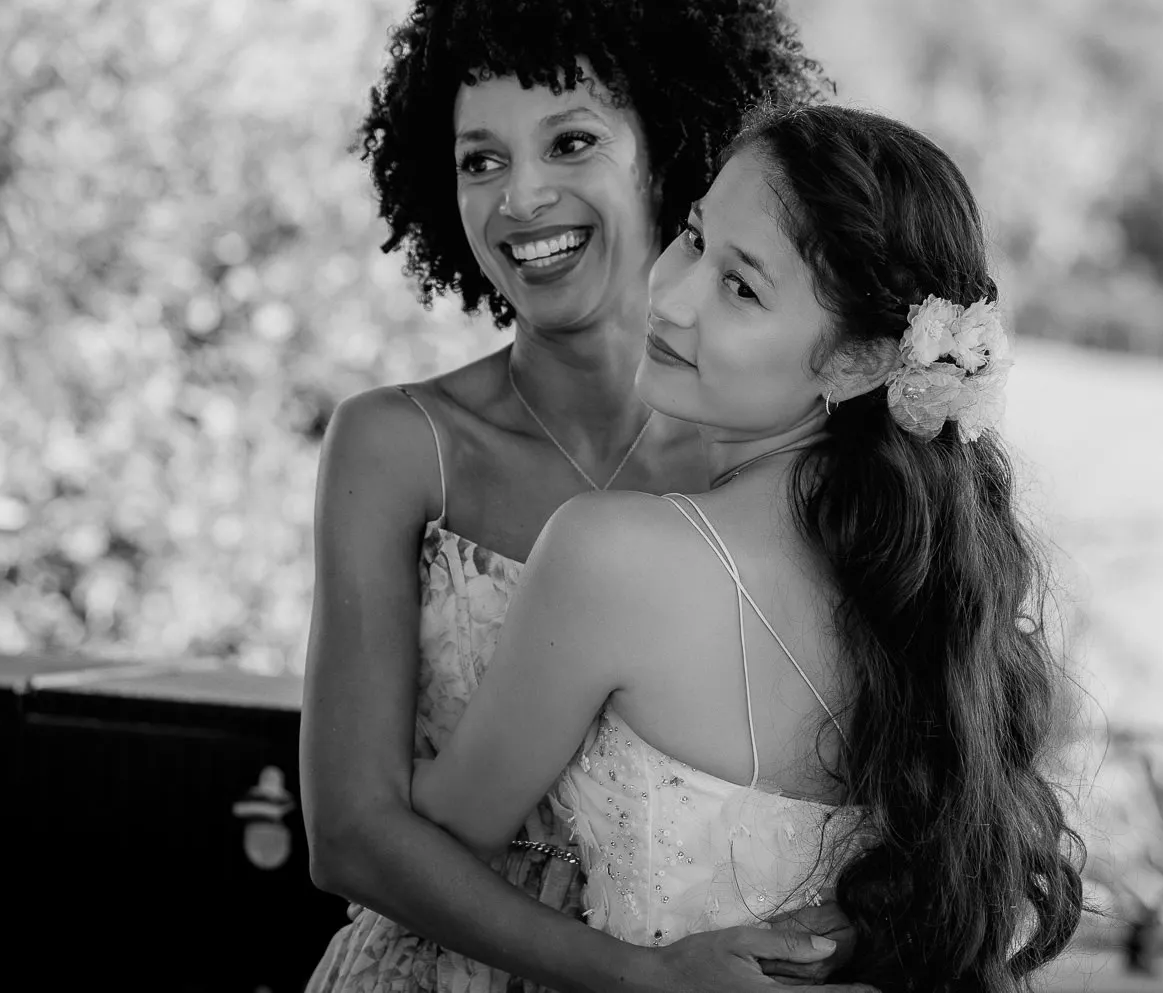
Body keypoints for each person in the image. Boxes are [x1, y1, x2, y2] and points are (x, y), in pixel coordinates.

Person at [301, 0, 862, 993]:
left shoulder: (789, 462)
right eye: (480, 159)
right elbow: (350, 837)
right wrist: (638, 979)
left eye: (570, 141)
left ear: (670, 147)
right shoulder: (396, 446)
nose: (522, 197)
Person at [411, 103, 1085, 989]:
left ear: (855, 363)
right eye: (693, 238)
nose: (672, 293)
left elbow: (435, 836)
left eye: (741, 287)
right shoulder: (932, 596)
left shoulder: (614, 551)